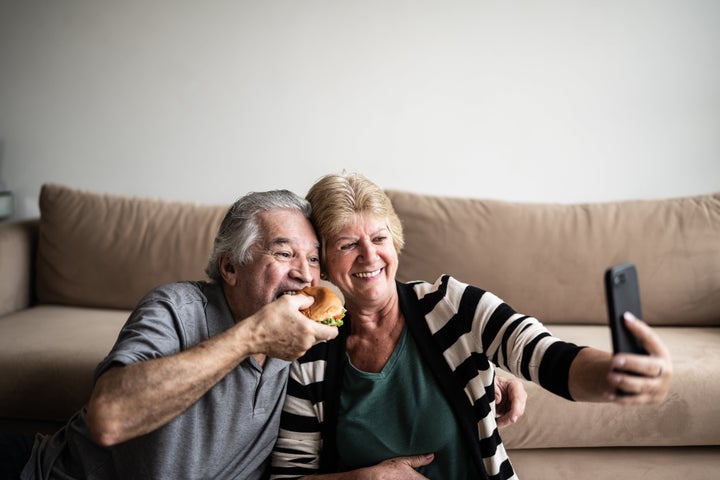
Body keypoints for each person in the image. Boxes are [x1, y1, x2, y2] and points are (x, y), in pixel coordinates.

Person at [270, 172, 673, 480]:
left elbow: (547, 356)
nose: (369, 255)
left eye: (379, 238)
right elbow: (288, 475)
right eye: (346, 244)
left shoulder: (452, 306)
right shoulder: (311, 351)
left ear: (395, 242)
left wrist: (617, 375)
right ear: (321, 258)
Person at [19, 190, 341, 479]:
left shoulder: (311, 335)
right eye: (284, 254)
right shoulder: (175, 308)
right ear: (230, 268)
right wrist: (253, 337)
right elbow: (108, 418)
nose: (304, 274)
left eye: (313, 259)